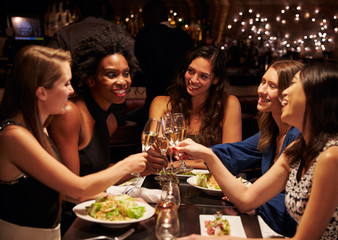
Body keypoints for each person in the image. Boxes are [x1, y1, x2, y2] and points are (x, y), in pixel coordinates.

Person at [176, 62, 338, 239]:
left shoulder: (333, 157)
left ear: (317, 99)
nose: (285, 92)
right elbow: (246, 199)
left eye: (293, 85)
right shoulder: (297, 148)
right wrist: (206, 154)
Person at [0, 45, 147, 239]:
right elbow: (78, 190)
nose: (71, 91)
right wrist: (127, 165)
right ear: (42, 93)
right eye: (65, 84)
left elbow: (63, 191)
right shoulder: (14, 136)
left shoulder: (38, 128)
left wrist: (120, 202)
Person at [47, 24, 167, 234]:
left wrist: (139, 169)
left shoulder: (109, 120)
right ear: (91, 79)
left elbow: (97, 174)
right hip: (68, 221)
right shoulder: (69, 113)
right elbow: (73, 190)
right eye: (112, 75)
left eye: (126, 73)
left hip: (95, 214)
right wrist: (127, 166)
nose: (122, 82)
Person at [208, 60, 303, 237]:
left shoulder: (298, 136)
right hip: (270, 223)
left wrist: (249, 195)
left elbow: (298, 204)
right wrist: (189, 153)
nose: (261, 90)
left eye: (272, 85)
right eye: (263, 81)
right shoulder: (270, 131)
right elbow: (232, 154)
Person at [149, 45, 242, 148]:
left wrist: (178, 164)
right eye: (191, 71)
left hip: (182, 165)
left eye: (203, 76)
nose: (193, 80)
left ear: (216, 79)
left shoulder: (229, 104)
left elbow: (230, 158)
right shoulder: (161, 104)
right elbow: (152, 151)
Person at [128, 0, 194, 128]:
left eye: (144, 17)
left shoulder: (145, 34)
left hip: (154, 103)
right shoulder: (184, 37)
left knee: (130, 120)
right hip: (184, 106)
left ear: (149, 16)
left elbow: (137, 66)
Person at [47, 0, 116, 52]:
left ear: (79, 11)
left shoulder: (64, 34)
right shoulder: (119, 32)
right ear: (103, 9)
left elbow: (51, 63)